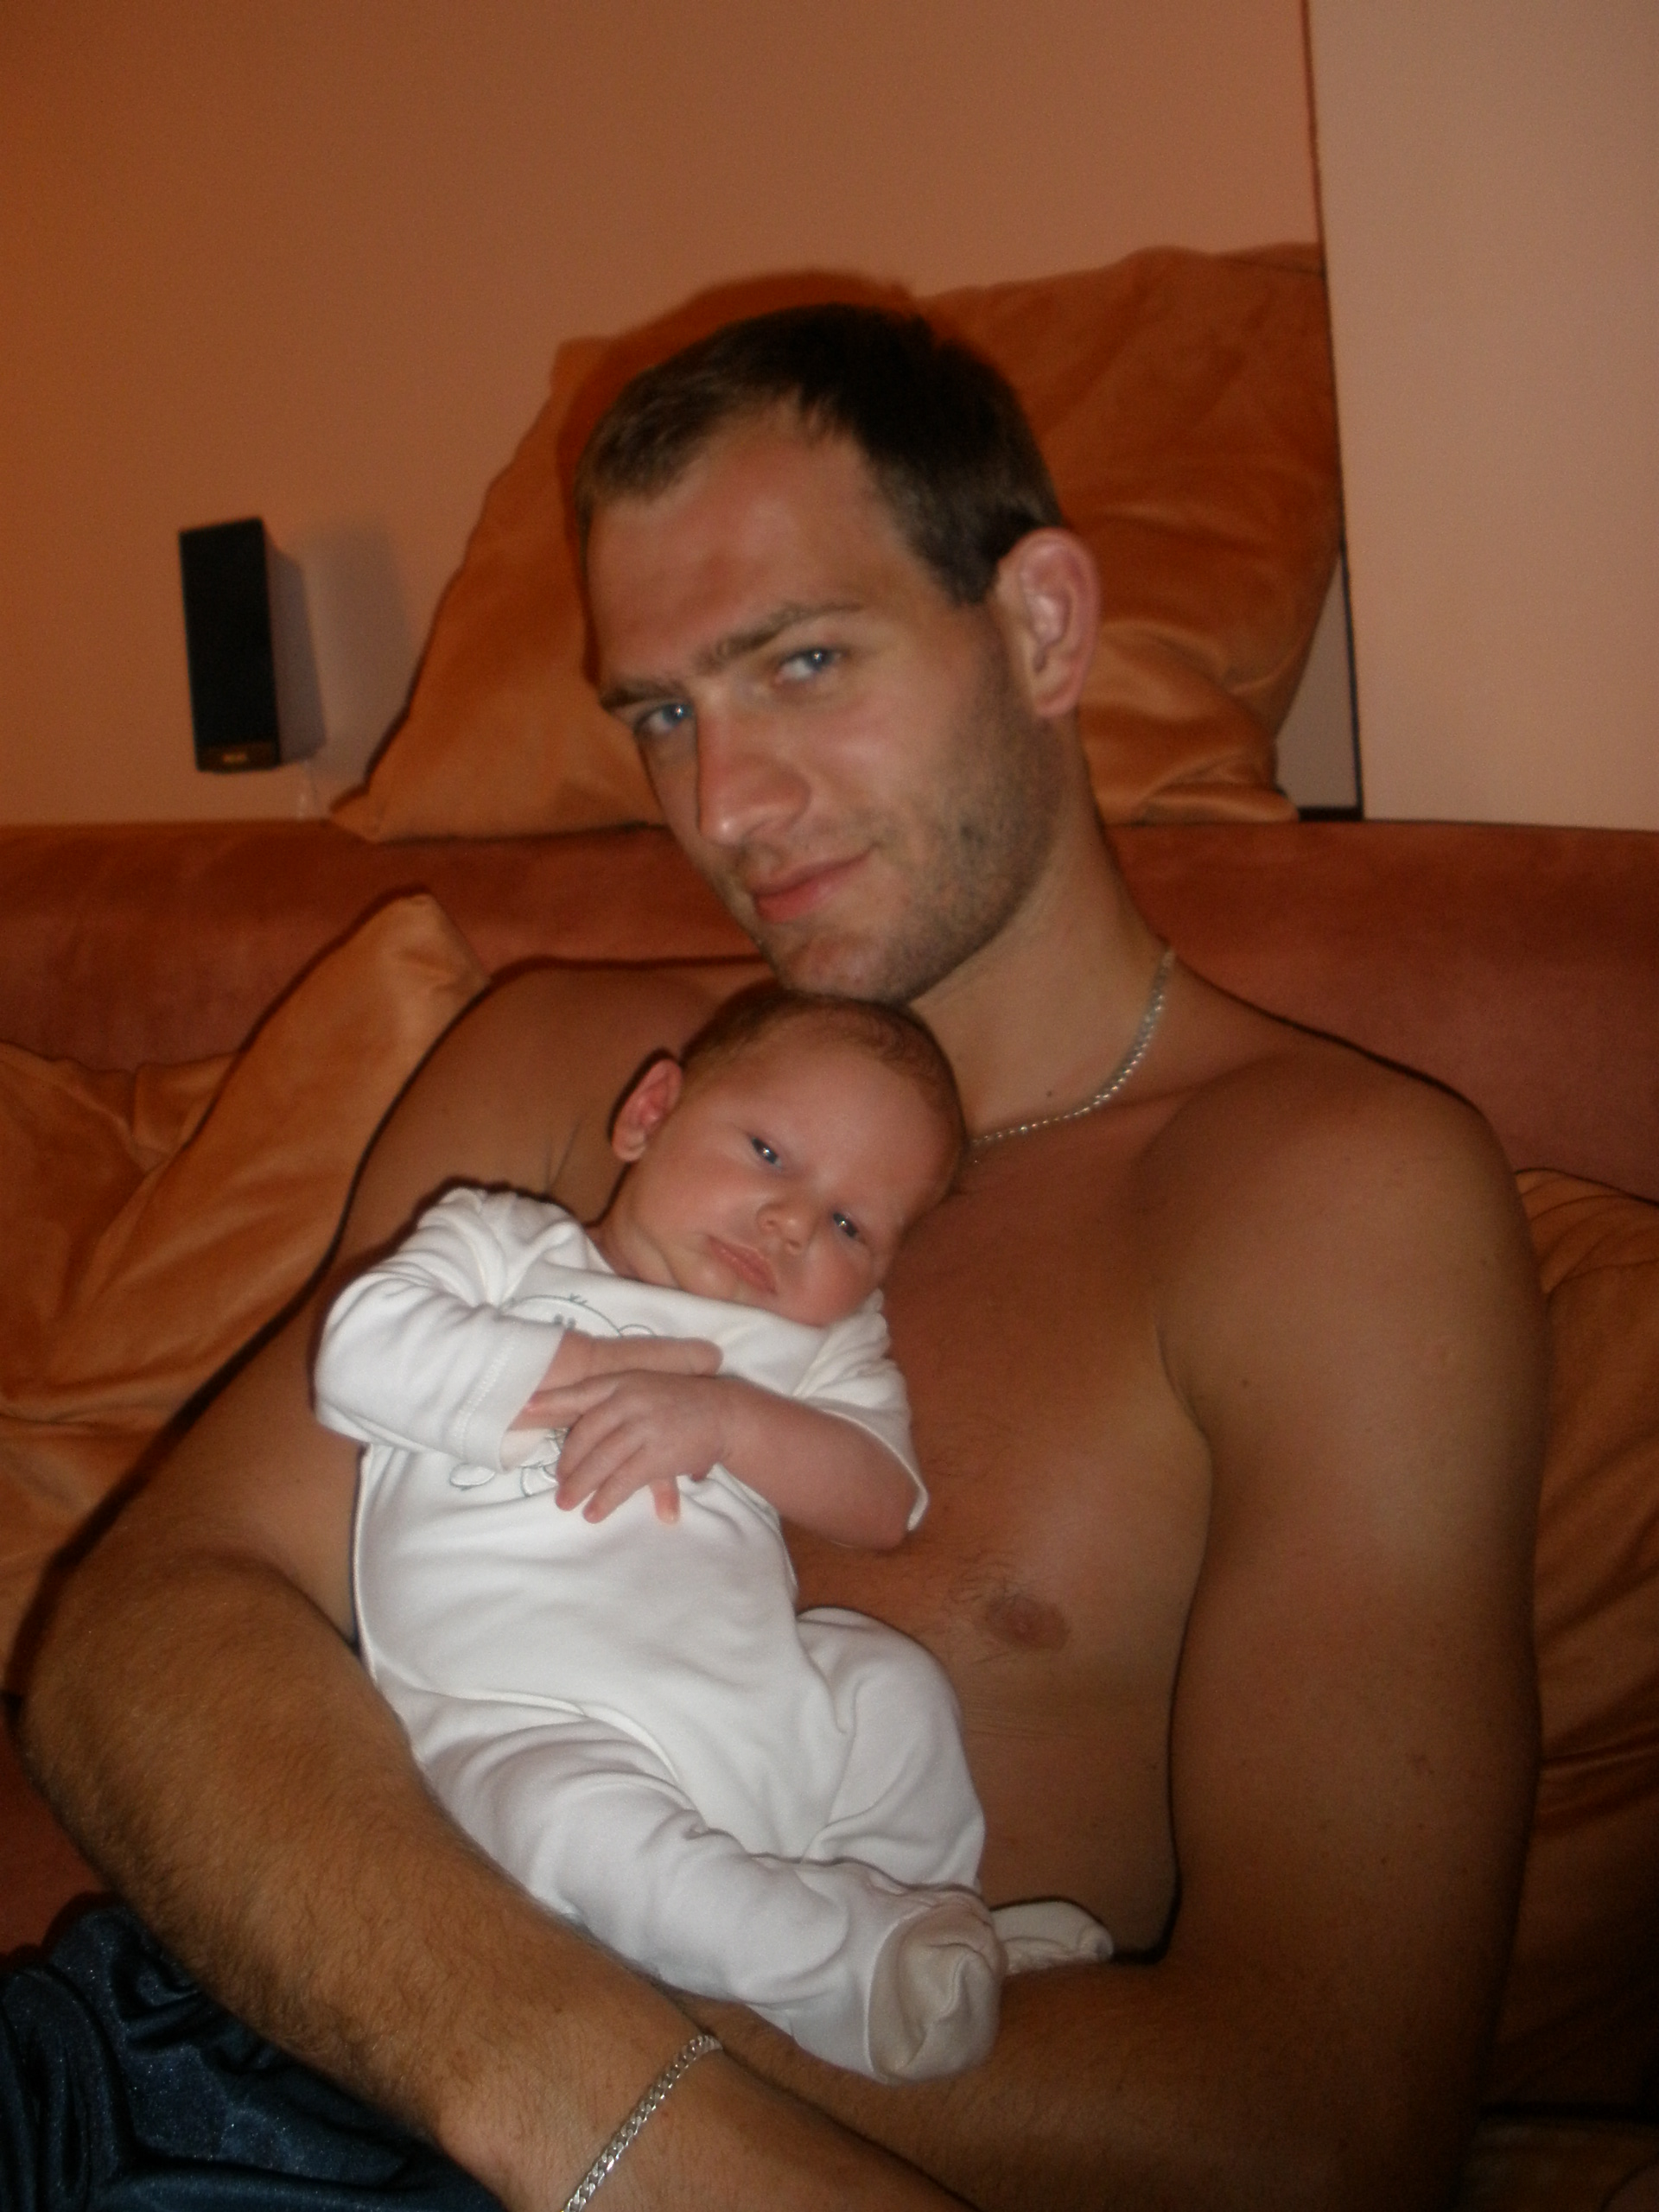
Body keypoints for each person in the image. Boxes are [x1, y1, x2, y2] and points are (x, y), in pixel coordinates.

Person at [21, 302, 1546, 2210]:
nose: (722, 804)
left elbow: (1318, 2130)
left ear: (1043, 627)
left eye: (803, 660)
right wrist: (579, 2101)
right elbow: (142, 1634)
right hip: (198, 2068)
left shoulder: (1329, 1201)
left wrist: (601, 2099)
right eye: (662, 711)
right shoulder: (563, 1065)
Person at [315, 988, 1110, 2087]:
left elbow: (884, 1499)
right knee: (574, 1830)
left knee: (888, 1686)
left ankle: (924, 1915)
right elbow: (358, 1352)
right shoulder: (503, 1245)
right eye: (770, 1153)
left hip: (763, 1711)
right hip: (523, 1724)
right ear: (650, 1113)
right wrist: (593, 1373)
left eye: (849, 1227)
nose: (792, 1223)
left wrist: (728, 1420)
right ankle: (855, 1967)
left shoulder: (821, 1346)